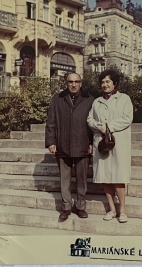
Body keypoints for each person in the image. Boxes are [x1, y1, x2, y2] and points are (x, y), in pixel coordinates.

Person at [45, 72, 94, 220]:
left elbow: (93, 124)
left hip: (82, 143)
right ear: (66, 83)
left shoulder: (89, 99)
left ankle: (80, 206)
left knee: (82, 179)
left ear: (81, 83)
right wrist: (51, 141)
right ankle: (66, 207)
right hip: (63, 144)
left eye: (76, 81)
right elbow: (51, 122)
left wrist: (91, 142)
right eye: (70, 82)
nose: (73, 84)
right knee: (64, 178)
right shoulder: (58, 99)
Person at [87, 69, 133, 223]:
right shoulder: (97, 102)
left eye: (108, 81)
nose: (105, 84)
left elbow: (127, 118)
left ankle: (122, 211)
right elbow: (89, 120)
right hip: (102, 143)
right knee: (105, 176)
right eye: (102, 82)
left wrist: (108, 126)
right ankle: (112, 210)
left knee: (119, 176)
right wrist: (98, 126)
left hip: (118, 142)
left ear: (115, 83)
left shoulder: (124, 99)